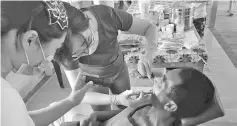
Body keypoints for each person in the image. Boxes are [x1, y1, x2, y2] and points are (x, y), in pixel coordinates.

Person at [54, 3, 158, 111]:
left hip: (119, 70)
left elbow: (149, 28)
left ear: (86, 20)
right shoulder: (62, 49)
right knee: (104, 117)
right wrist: (115, 99)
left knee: (125, 109)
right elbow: (79, 94)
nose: (89, 51)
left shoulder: (106, 15)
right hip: (92, 81)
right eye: (79, 54)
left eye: (88, 40)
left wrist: (148, 55)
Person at [63, 68, 224, 126]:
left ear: (170, 106)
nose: (156, 80)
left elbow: (217, 109)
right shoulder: (154, 104)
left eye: (163, 82)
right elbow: (125, 113)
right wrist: (97, 114)